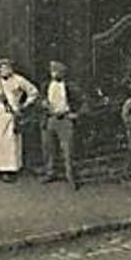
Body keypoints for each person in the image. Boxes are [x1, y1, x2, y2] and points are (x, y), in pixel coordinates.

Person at [0, 58, 38, 182]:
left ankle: (9, 170)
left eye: (8, 67)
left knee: (9, 142)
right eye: (2, 67)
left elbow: (33, 92)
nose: (5, 70)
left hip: (11, 114)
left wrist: (24, 105)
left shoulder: (18, 80)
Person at [40, 60, 79, 188]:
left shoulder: (70, 86)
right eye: (52, 71)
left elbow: (84, 102)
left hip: (65, 119)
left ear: (63, 73)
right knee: (49, 148)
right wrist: (43, 103)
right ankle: (50, 173)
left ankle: (70, 176)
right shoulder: (46, 85)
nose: (54, 74)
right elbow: (40, 99)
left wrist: (75, 113)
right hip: (50, 119)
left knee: (67, 149)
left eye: (57, 71)